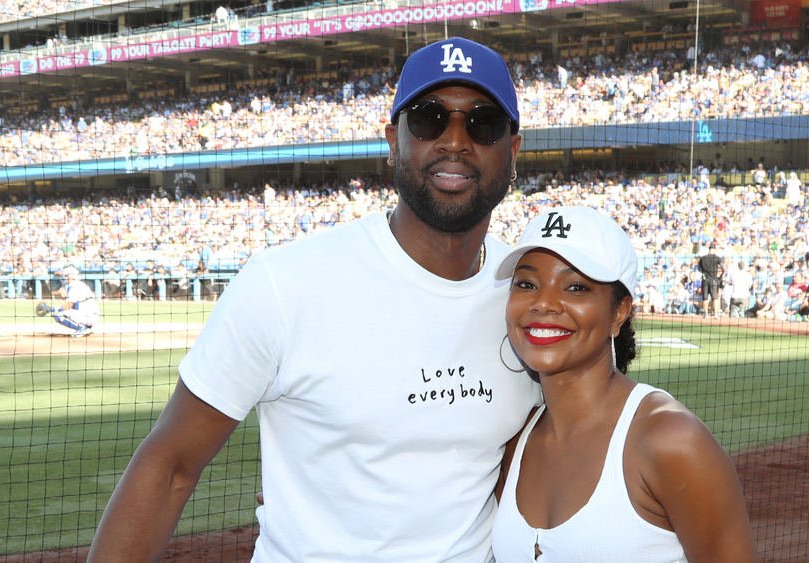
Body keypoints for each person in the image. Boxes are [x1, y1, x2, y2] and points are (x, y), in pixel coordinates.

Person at [88, 37, 542, 562]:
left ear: (514, 150)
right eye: (428, 118)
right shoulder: (284, 284)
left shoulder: (531, 295)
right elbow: (170, 466)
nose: (455, 141)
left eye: (482, 122)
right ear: (393, 140)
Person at [490, 207, 756, 561]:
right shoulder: (515, 442)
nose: (544, 303)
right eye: (526, 284)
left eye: (576, 287)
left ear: (619, 312)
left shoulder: (671, 439)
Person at [49, 265, 100, 338]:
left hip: (89, 316)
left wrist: (55, 309)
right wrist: (65, 297)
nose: (64, 278)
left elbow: (68, 306)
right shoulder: (79, 284)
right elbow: (75, 305)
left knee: (57, 314)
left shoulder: (74, 287)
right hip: (91, 315)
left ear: (69, 277)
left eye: (65, 276)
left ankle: (82, 328)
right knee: (60, 312)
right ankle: (87, 328)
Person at [698, 243, 723, 318]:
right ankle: (715, 314)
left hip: (705, 279)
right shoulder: (717, 258)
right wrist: (719, 276)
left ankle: (706, 314)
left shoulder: (702, 258)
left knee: (705, 297)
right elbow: (722, 268)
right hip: (713, 279)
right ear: (714, 250)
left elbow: (699, 269)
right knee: (715, 297)